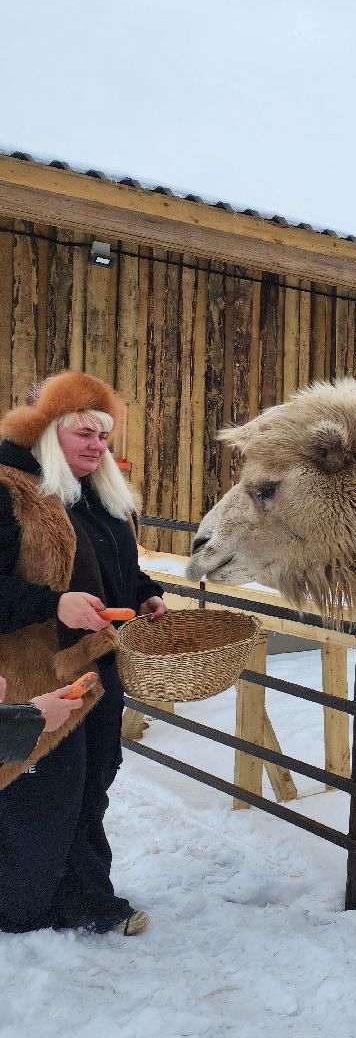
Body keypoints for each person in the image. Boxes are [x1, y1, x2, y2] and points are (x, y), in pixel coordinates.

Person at [0, 372, 166, 937]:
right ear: (48, 431)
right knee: (45, 791)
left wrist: (144, 593)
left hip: (97, 668)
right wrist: (53, 605)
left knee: (93, 783)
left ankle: (83, 896)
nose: (98, 446)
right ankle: (22, 907)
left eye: (104, 435)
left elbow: (117, 567)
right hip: (34, 672)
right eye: (84, 433)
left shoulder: (96, 496)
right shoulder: (9, 490)